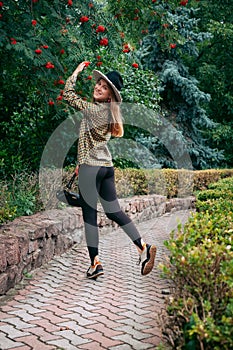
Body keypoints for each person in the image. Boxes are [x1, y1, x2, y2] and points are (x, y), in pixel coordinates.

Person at [63, 61, 156, 280]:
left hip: (91, 169)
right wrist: (80, 164)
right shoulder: (109, 114)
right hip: (106, 167)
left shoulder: (94, 111)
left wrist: (76, 71)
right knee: (114, 211)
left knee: (89, 216)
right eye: (98, 83)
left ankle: (95, 263)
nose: (97, 87)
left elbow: (68, 94)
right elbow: (91, 141)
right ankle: (142, 246)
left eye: (104, 87)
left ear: (109, 96)